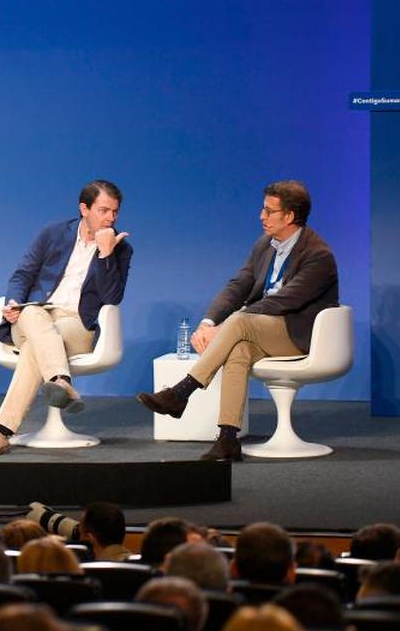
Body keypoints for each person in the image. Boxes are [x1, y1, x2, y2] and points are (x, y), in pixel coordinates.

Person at [137, 180, 338, 461]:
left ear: (289, 216)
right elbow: (238, 286)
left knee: (239, 322)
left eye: (269, 211)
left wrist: (226, 325)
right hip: (265, 329)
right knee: (238, 350)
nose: (261, 216)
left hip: (297, 335)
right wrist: (208, 322)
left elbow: (284, 301)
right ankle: (228, 439)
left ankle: (182, 392)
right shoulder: (264, 245)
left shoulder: (318, 255)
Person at [0, 180, 131, 455]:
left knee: (36, 346)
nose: (111, 218)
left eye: (115, 212)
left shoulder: (120, 248)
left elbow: (112, 297)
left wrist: (106, 254)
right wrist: (13, 302)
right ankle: (60, 381)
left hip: (77, 324)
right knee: (32, 313)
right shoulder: (54, 233)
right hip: (36, 314)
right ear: (84, 208)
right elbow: (22, 274)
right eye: (104, 210)